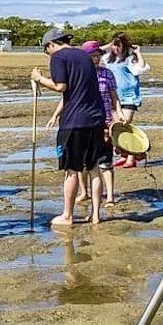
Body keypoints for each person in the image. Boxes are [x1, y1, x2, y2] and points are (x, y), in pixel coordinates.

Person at [32, 28, 108, 226]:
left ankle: (67, 215)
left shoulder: (58, 57)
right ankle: (95, 215)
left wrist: (39, 79)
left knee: (71, 169)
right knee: (94, 168)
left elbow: (61, 86)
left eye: (46, 50)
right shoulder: (85, 56)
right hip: (95, 118)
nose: (47, 54)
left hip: (75, 121)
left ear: (51, 44)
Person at [46, 41, 123, 205]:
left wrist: (119, 114)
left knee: (103, 162)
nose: (96, 59)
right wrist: (55, 116)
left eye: (98, 56)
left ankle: (109, 197)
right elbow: (68, 97)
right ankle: (84, 193)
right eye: (93, 56)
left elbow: (114, 97)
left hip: (101, 120)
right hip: (86, 119)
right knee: (83, 165)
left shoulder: (106, 74)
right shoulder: (80, 72)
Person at [102, 32, 147, 168]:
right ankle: (124, 154)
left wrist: (138, 53)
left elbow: (141, 69)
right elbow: (93, 51)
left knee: (125, 124)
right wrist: (110, 45)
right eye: (114, 45)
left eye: (118, 45)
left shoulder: (130, 59)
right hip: (113, 97)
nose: (116, 48)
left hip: (129, 96)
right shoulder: (108, 58)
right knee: (114, 128)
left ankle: (132, 157)